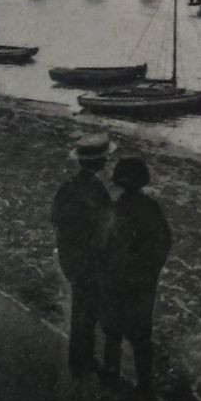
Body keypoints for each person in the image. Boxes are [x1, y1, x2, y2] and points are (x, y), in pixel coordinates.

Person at [100, 157, 171, 397]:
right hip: (142, 282)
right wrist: (151, 271)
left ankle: (111, 377)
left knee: (113, 333)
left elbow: (102, 246)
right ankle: (144, 385)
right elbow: (164, 243)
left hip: (116, 279)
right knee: (142, 336)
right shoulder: (151, 208)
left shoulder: (114, 209)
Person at [50, 132, 114, 379]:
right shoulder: (97, 192)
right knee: (88, 312)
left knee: (81, 308)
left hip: (71, 259)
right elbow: (105, 232)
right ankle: (82, 362)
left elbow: (55, 219)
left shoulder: (68, 187)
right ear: (102, 163)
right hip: (90, 263)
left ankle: (80, 358)